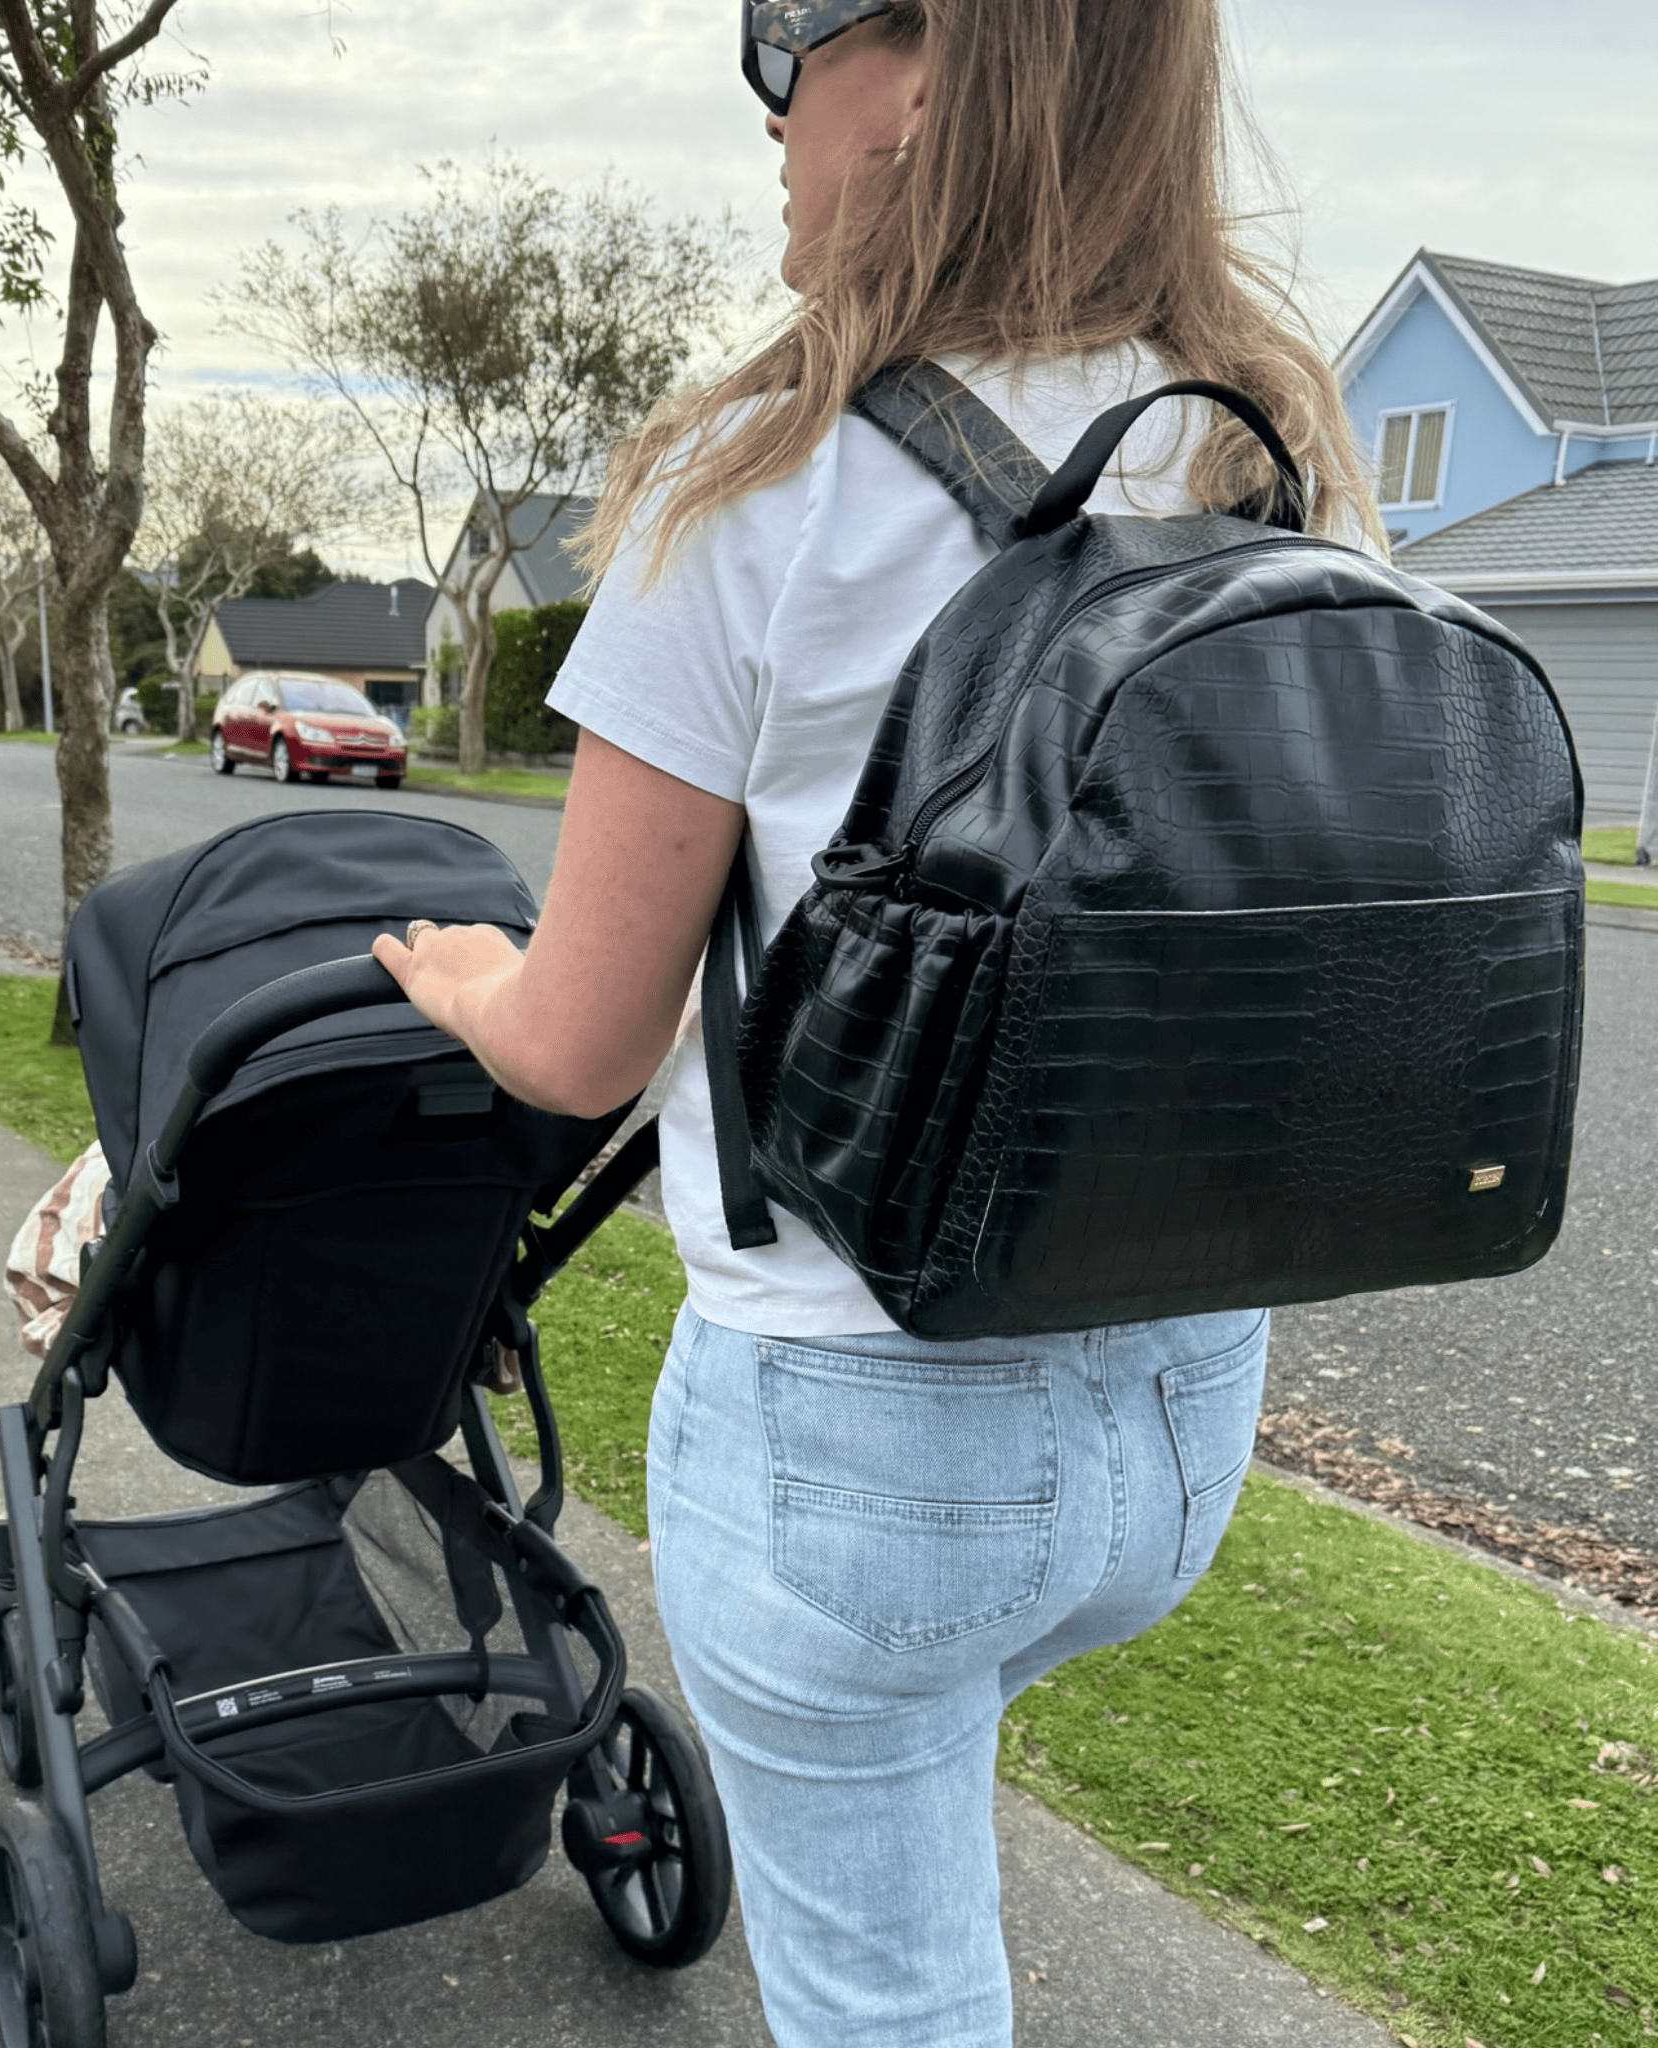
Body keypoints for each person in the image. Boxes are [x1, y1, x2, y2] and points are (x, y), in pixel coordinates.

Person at [374, 3, 1378, 2040]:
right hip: (1180, 1405)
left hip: (860, 1424)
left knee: (892, 1993)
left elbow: (580, 1049)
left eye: (788, 36)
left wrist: (468, 978)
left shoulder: (751, 481)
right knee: (939, 1762)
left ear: (924, 76)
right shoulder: (1271, 434)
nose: (765, 101)